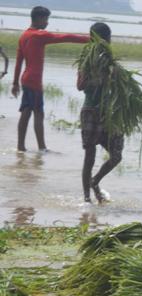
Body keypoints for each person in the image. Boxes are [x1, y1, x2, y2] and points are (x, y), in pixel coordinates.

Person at [11, 6, 89, 152]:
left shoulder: (24, 36)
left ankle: (20, 147)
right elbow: (65, 37)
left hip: (25, 79)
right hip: (34, 80)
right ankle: (42, 148)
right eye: (46, 19)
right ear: (38, 18)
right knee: (38, 113)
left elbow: (18, 62)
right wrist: (90, 39)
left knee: (26, 112)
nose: (47, 22)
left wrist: (15, 83)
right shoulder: (39, 35)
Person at [77, 22, 123, 205]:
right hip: (90, 111)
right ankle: (87, 198)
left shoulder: (110, 61)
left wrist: (115, 76)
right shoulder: (86, 59)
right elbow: (80, 86)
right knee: (90, 156)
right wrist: (96, 78)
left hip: (108, 112)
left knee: (116, 155)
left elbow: (118, 86)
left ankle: (95, 181)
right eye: (105, 38)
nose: (107, 42)